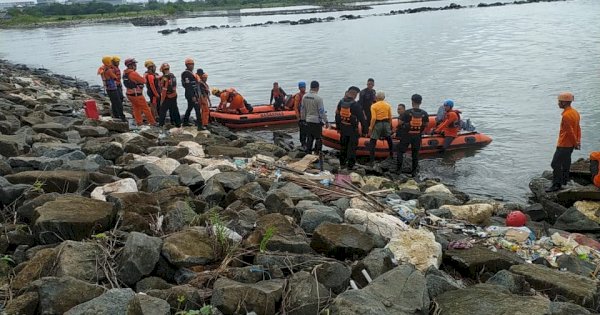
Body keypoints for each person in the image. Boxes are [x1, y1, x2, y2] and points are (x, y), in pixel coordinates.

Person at [546, 92, 581, 192]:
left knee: (555, 163)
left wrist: (575, 142)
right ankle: (564, 181)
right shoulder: (575, 112)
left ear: (564, 103)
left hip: (564, 144)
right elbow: (578, 128)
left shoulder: (566, 115)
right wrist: (578, 142)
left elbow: (570, 132)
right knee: (566, 163)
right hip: (570, 144)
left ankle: (556, 184)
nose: (558, 103)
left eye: (559, 101)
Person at [335, 86, 367, 169]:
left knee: (343, 146)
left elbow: (337, 115)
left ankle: (342, 163)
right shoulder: (356, 105)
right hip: (353, 130)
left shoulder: (341, 102)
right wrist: (364, 131)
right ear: (354, 94)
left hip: (343, 128)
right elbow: (362, 119)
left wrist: (338, 127)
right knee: (352, 148)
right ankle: (350, 165)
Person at [397, 94, 429, 175]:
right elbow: (426, 124)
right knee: (415, 154)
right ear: (420, 102)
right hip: (417, 136)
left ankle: (398, 170)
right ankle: (414, 172)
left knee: (400, 151)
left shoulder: (407, 112)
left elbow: (400, 123)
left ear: (412, 101)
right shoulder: (424, 113)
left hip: (406, 135)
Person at [122, 58, 156, 126]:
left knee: (136, 108)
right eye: (134, 64)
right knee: (146, 108)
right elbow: (143, 81)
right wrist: (143, 77)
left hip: (129, 94)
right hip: (136, 94)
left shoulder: (125, 72)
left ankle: (139, 122)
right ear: (131, 65)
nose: (135, 66)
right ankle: (152, 122)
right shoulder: (133, 73)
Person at [300, 80, 328, 154]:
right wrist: (326, 121)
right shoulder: (318, 98)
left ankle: (308, 153)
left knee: (309, 138)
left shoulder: (304, 96)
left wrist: (303, 119)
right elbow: (321, 111)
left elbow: (302, 109)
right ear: (317, 88)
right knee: (318, 138)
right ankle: (317, 153)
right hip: (316, 121)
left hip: (308, 120)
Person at [368, 90, 394, 164]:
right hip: (386, 123)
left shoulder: (373, 106)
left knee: (373, 141)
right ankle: (391, 154)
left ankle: (372, 160)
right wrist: (389, 125)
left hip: (378, 124)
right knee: (389, 138)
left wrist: (370, 128)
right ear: (384, 97)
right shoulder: (388, 105)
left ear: (376, 97)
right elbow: (390, 117)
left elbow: (373, 118)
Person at [99, 56, 126, 121]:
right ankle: (122, 117)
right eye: (110, 61)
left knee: (114, 102)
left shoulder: (104, 69)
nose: (112, 63)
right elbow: (115, 78)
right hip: (113, 89)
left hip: (109, 89)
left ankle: (116, 115)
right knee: (118, 103)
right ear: (108, 62)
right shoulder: (109, 70)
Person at [158, 63, 182, 128]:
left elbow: (164, 90)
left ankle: (161, 124)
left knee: (162, 110)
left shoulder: (164, 78)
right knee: (174, 109)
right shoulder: (172, 76)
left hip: (167, 96)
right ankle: (178, 123)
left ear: (162, 70)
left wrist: (162, 100)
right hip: (174, 95)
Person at [181, 58, 201, 129]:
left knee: (189, 108)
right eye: (190, 65)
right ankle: (200, 126)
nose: (191, 66)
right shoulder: (186, 73)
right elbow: (188, 86)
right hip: (190, 94)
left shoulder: (191, 73)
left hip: (194, 93)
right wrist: (193, 96)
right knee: (197, 109)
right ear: (186, 65)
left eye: (192, 64)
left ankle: (185, 122)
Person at [293, 81, 308, 149]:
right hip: (301, 116)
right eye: (302, 87)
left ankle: (307, 144)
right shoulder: (298, 96)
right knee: (302, 131)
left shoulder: (307, 95)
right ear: (299, 88)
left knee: (307, 130)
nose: (303, 88)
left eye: (304, 87)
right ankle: (303, 143)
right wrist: (298, 117)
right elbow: (295, 107)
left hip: (307, 115)